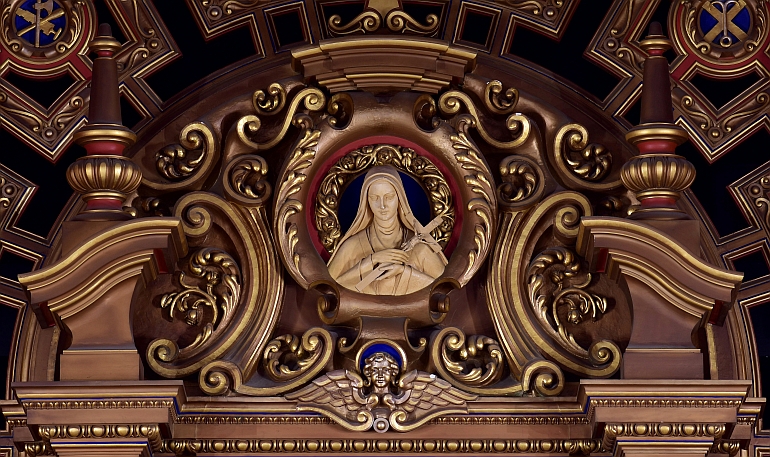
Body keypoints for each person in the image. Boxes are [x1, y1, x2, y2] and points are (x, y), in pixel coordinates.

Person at [327, 166, 447, 295]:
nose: (382, 205)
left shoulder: (421, 248)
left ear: (399, 199)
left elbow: (442, 289)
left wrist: (404, 272)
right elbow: (331, 289)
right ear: (366, 201)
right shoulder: (351, 247)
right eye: (374, 198)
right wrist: (371, 261)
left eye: (389, 197)